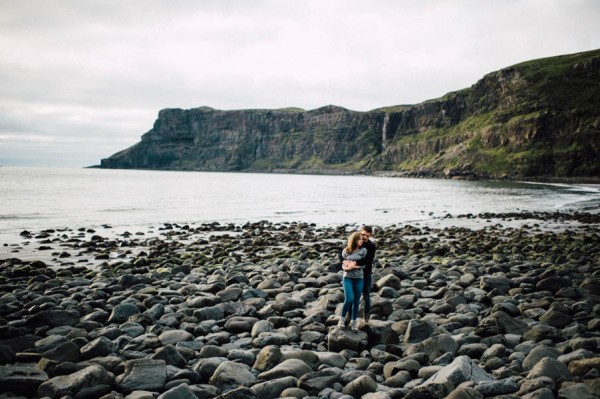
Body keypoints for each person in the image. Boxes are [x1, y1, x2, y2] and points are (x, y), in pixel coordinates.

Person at [341, 226, 376, 326]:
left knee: (366, 296)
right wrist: (344, 262)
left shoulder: (371, 246)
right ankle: (349, 316)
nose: (364, 237)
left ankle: (366, 317)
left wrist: (353, 263)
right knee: (351, 297)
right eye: (363, 234)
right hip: (352, 275)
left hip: (366, 274)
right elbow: (343, 254)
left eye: (366, 235)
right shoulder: (356, 241)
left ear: (370, 235)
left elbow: (368, 260)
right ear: (360, 233)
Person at [337, 231, 367, 332]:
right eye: (359, 239)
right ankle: (341, 319)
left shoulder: (363, 251)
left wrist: (352, 266)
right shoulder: (346, 251)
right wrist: (347, 266)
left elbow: (363, 265)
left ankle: (354, 322)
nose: (361, 241)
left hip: (359, 278)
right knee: (349, 299)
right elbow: (343, 264)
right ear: (354, 240)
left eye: (362, 239)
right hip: (347, 278)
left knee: (356, 301)